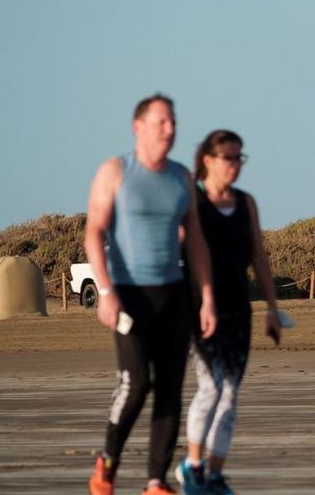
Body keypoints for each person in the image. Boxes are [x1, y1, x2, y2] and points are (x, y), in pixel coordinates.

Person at [86, 94, 218, 495]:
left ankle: (156, 481)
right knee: (137, 381)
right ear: (138, 126)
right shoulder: (116, 171)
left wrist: (207, 296)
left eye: (173, 122)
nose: (170, 129)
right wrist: (106, 291)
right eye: (161, 122)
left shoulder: (181, 177)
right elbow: (93, 232)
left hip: (173, 294)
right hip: (129, 294)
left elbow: (194, 239)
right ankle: (107, 463)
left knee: (171, 388)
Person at [175, 129, 283, 495]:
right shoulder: (192, 201)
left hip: (238, 308)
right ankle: (192, 467)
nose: (236, 165)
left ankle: (215, 474)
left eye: (240, 158)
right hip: (198, 308)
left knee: (231, 393)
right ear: (209, 160)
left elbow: (259, 256)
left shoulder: (245, 202)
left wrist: (272, 308)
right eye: (229, 158)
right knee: (211, 387)